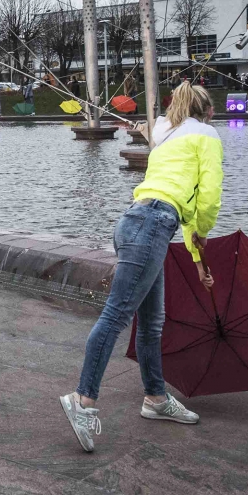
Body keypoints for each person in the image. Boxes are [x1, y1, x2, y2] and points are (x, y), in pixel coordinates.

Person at [60, 83, 221, 453]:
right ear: (208, 112)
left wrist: (198, 259)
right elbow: (208, 198)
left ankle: (155, 398)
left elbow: (177, 199)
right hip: (152, 225)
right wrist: (204, 231)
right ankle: (82, 399)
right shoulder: (207, 136)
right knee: (116, 316)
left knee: (151, 322)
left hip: (137, 221)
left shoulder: (167, 136)